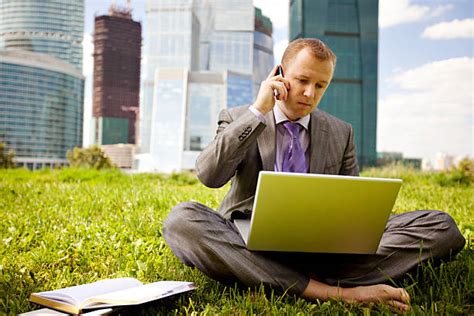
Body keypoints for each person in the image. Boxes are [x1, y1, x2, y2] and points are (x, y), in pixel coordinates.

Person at [162, 38, 465, 311]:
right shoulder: (238, 117)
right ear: (279, 74)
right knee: (181, 221)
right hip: (247, 240)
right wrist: (258, 110)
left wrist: (354, 231)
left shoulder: (340, 131)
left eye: (321, 85)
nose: (310, 93)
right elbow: (209, 175)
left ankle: (267, 276)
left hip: (321, 249)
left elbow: (353, 204)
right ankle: (335, 291)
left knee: (442, 226)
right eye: (303, 80)